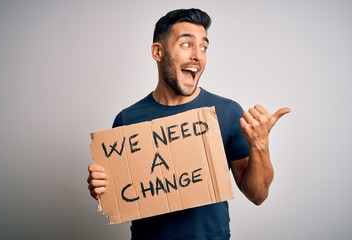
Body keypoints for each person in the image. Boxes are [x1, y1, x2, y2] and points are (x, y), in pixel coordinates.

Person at [87, 8, 290, 240]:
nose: (198, 55)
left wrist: (260, 145)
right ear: (157, 51)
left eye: (204, 47)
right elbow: (122, 193)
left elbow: (258, 195)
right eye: (186, 44)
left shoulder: (227, 112)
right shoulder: (127, 119)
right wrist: (102, 188)